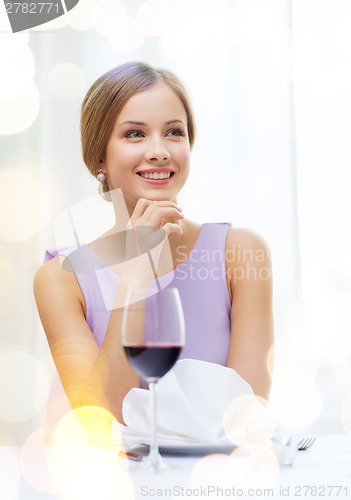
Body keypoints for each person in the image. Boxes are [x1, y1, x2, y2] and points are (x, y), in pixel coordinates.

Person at [34, 62, 273, 425]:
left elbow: (247, 419)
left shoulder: (240, 253)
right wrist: (134, 278)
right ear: (99, 155)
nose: (159, 151)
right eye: (135, 134)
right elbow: (104, 419)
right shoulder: (62, 278)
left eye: (174, 132)